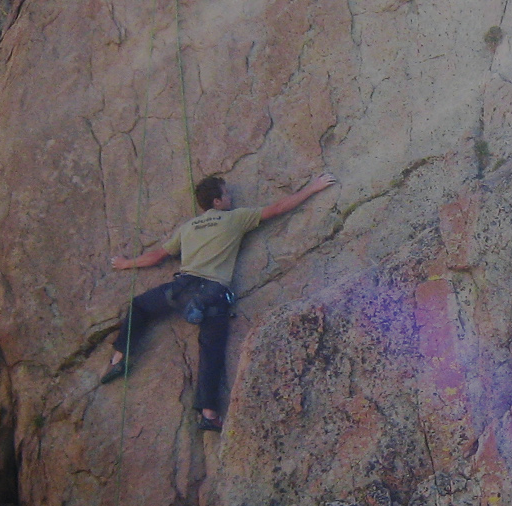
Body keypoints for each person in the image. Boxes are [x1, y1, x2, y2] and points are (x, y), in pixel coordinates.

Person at [101, 171, 336, 431]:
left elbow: (156, 256)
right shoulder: (234, 219)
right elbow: (279, 208)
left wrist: (125, 264)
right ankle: (209, 413)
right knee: (211, 351)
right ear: (216, 202)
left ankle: (119, 358)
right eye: (226, 193)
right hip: (212, 293)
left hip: (180, 289)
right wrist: (313, 188)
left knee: (140, 306)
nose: (230, 196)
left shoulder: (188, 227)